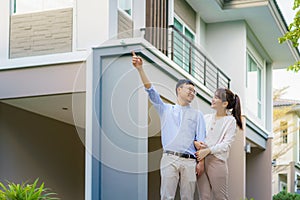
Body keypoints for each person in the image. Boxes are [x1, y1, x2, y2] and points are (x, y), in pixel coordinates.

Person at [132, 51, 206, 200]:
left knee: (188, 198)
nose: (192, 93)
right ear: (179, 89)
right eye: (189, 89)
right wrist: (140, 69)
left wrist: (201, 163)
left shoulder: (198, 115)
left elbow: (202, 143)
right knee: (167, 197)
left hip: (190, 161)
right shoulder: (165, 109)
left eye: (194, 91)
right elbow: (151, 91)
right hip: (169, 158)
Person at [194, 88, 243, 200]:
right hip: (201, 160)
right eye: (214, 97)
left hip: (216, 161)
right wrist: (196, 142)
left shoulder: (230, 121)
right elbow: (196, 136)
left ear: (225, 103)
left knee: (221, 197)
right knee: (204, 197)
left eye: (216, 97)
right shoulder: (205, 118)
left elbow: (226, 144)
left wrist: (208, 150)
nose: (213, 99)